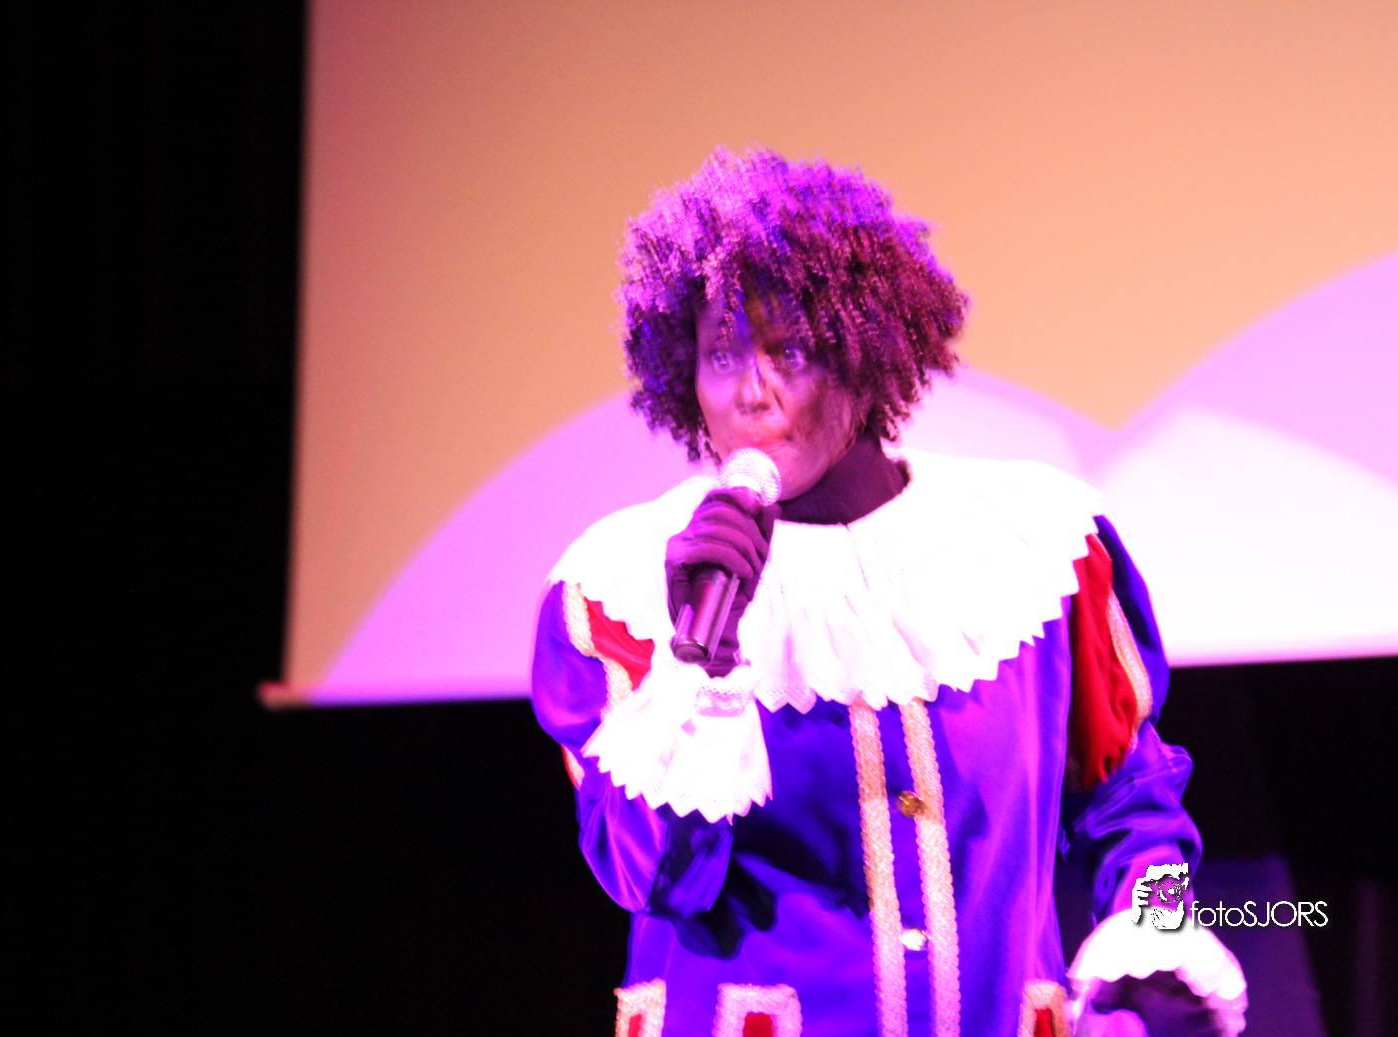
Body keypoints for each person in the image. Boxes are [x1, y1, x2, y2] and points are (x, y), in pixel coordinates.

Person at [530, 150, 1245, 1037]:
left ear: (864, 354)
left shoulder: (1038, 543)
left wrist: (1158, 916)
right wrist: (696, 664)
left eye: (789, 349)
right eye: (720, 353)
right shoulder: (616, 587)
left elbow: (1128, 798)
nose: (751, 390)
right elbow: (652, 877)